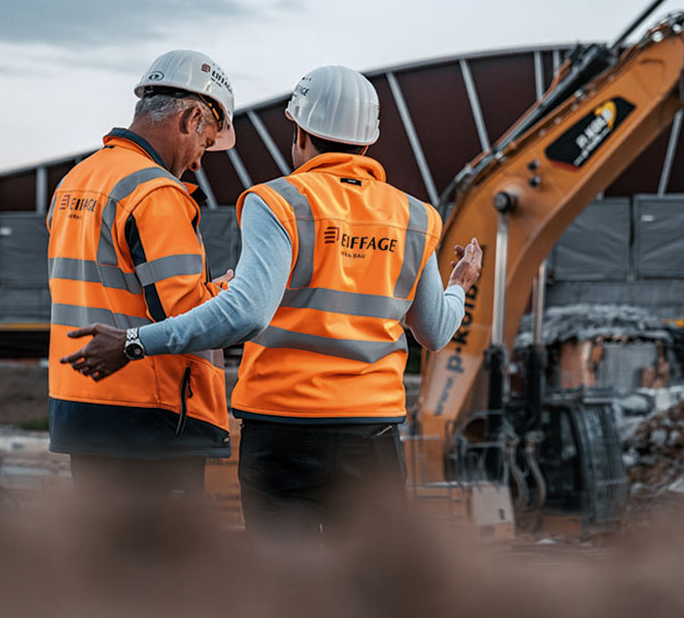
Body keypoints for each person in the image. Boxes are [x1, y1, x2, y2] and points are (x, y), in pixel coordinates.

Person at [61, 65, 484, 538]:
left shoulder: (277, 202)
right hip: (373, 431)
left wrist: (135, 342)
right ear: (368, 143)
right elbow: (436, 332)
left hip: (282, 429)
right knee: (366, 586)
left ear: (300, 133)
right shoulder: (414, 217)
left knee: (284, 582)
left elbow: (246, 312)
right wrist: (459, 285)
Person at [46, 49, 238, 504]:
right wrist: (234, 289)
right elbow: (188, 314)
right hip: (150, 418)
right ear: (192, 118)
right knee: (160, 569)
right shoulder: (155, 192)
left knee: (105, 561)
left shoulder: (77, 181)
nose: (197, 162)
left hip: (80, 407)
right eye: (206, 143)